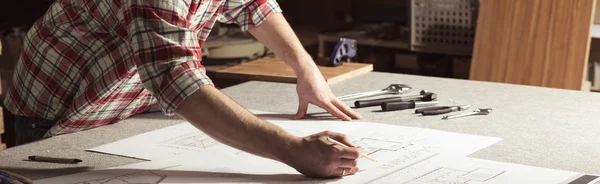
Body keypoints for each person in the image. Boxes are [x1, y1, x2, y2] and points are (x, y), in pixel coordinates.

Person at [3, 0, 364, 178]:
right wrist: (292, 150)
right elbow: (174, 77)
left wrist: (306, 69)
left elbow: (253, 4)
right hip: (55, 112)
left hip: (126, 99)